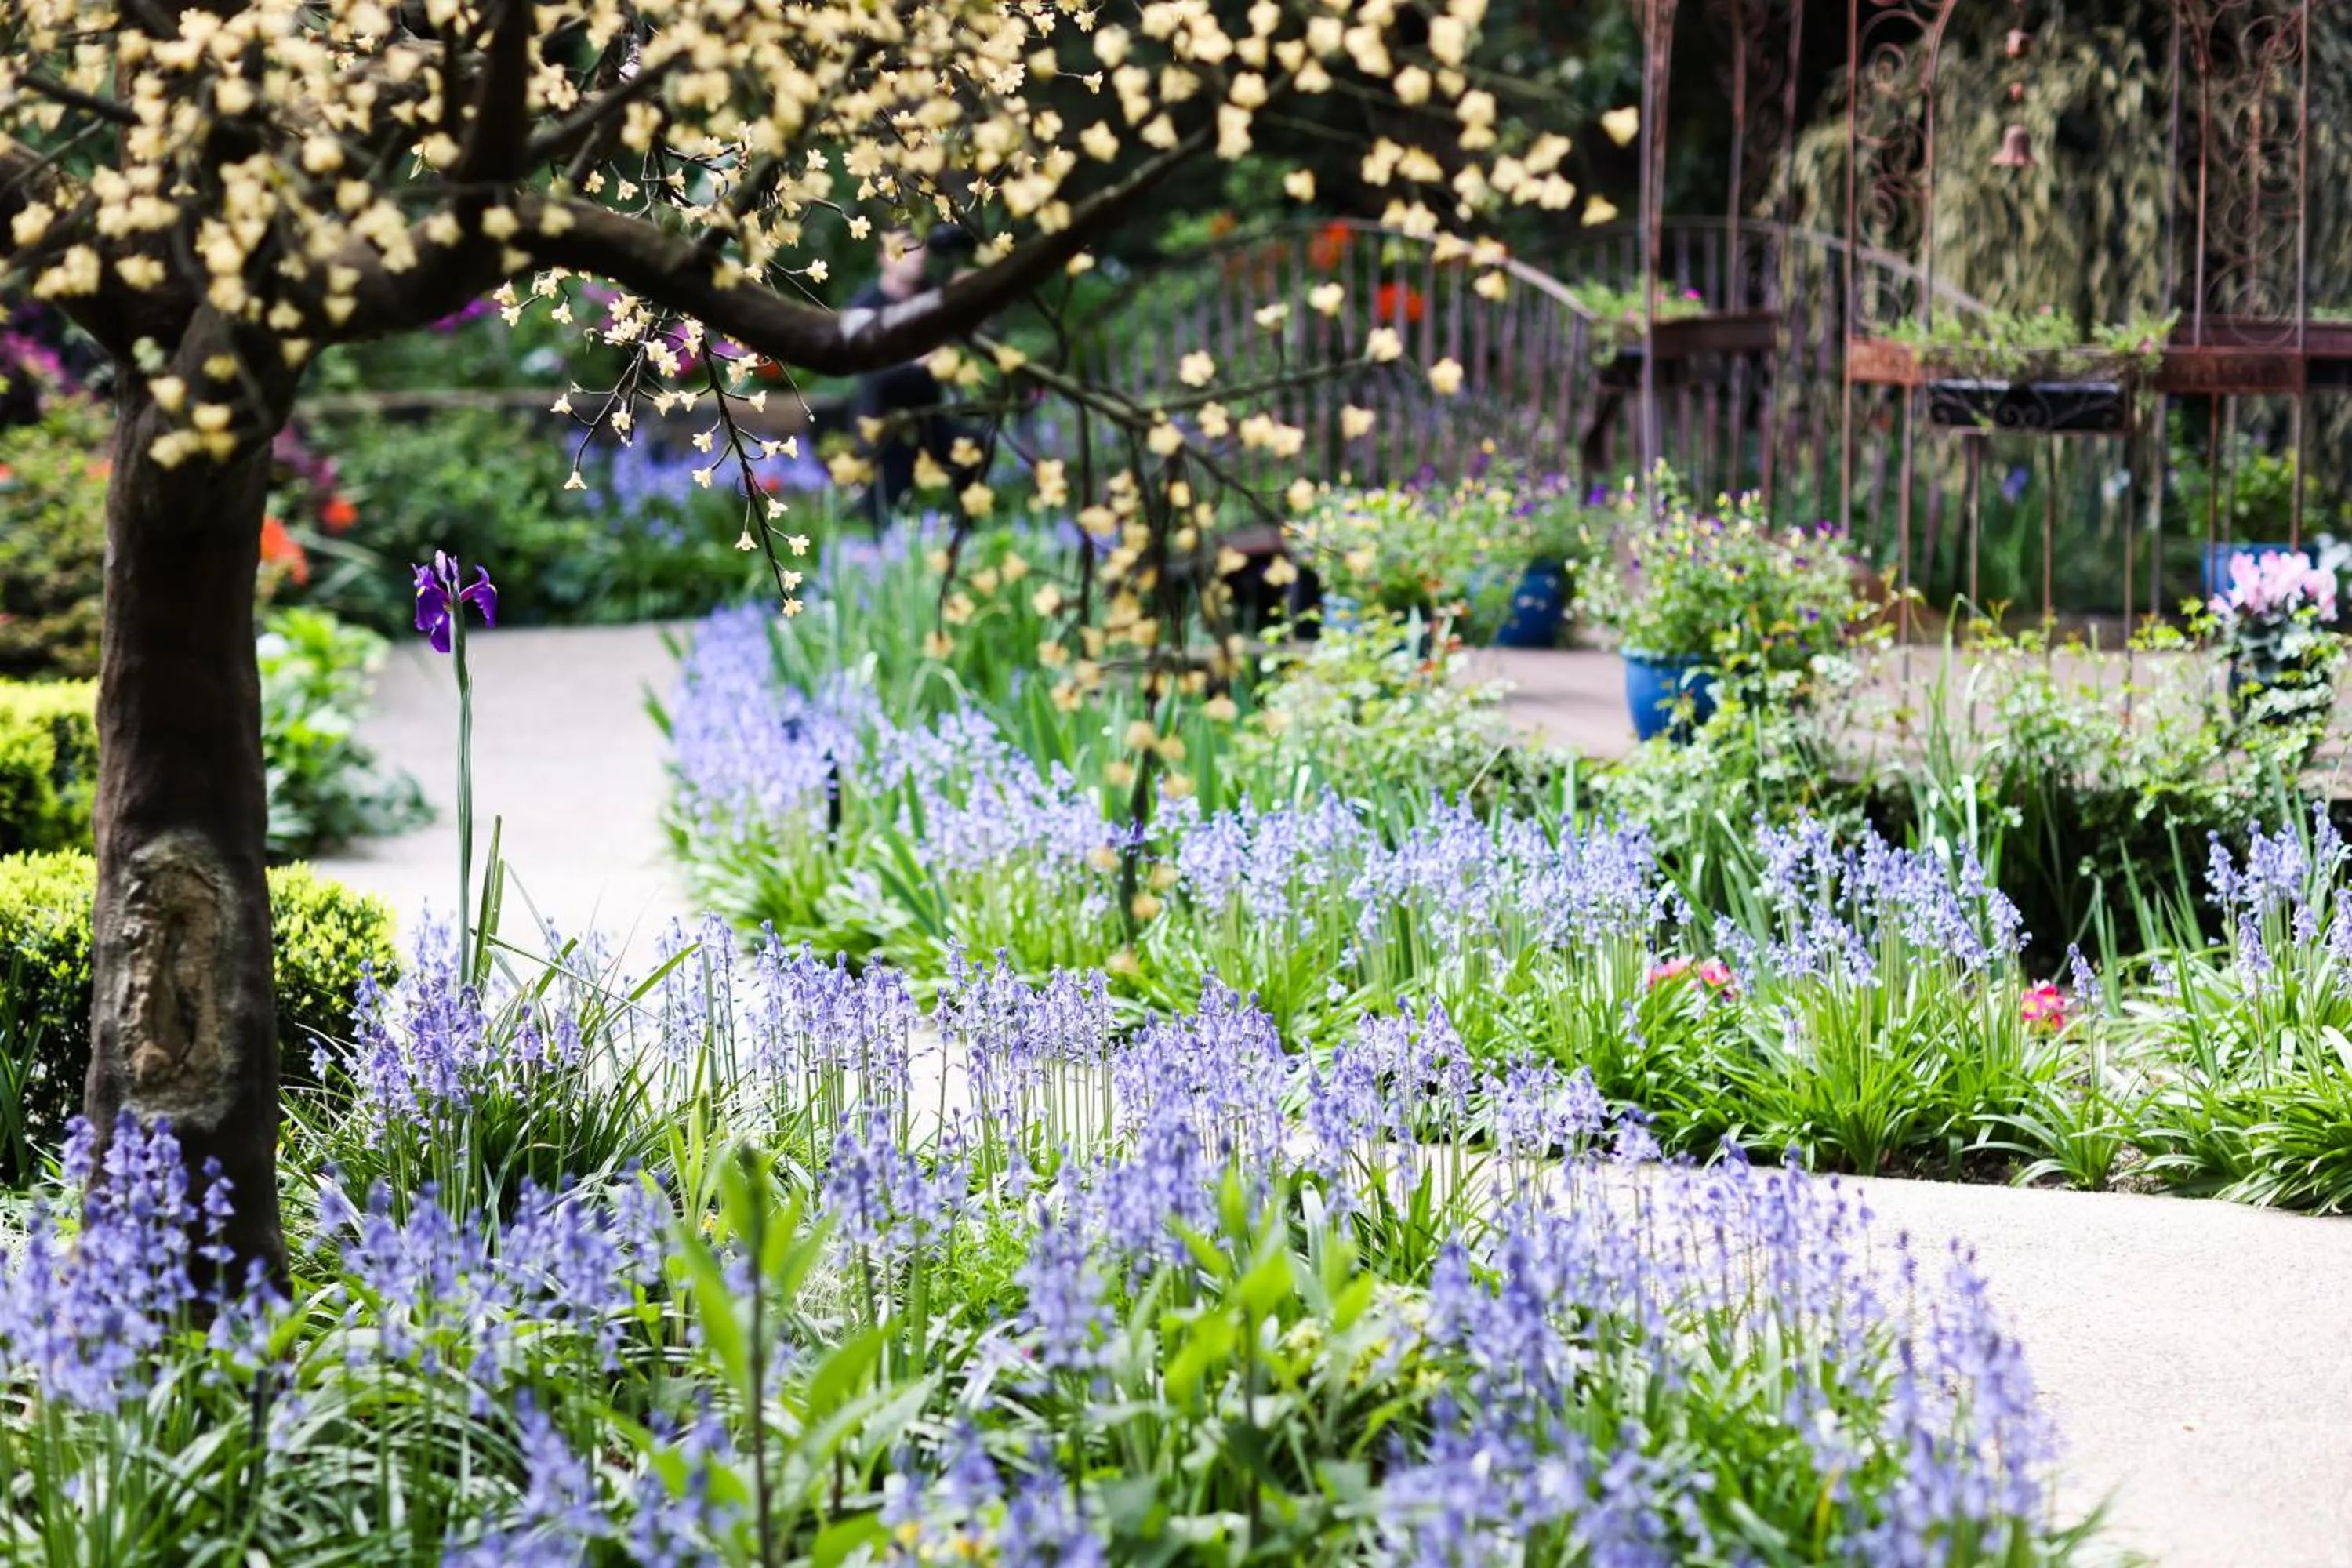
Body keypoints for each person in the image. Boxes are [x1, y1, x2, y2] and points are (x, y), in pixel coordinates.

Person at [848, 225, 979, 529]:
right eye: (905, 249)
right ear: (884, 257)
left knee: (974, 445)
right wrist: (915, 364)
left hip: (930, 420)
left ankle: (966, 530)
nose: (917, 256)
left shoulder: (932, 294)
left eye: (919, 247)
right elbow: (866, 371)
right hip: (885, 426)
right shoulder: (866, 306)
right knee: (884, 512)